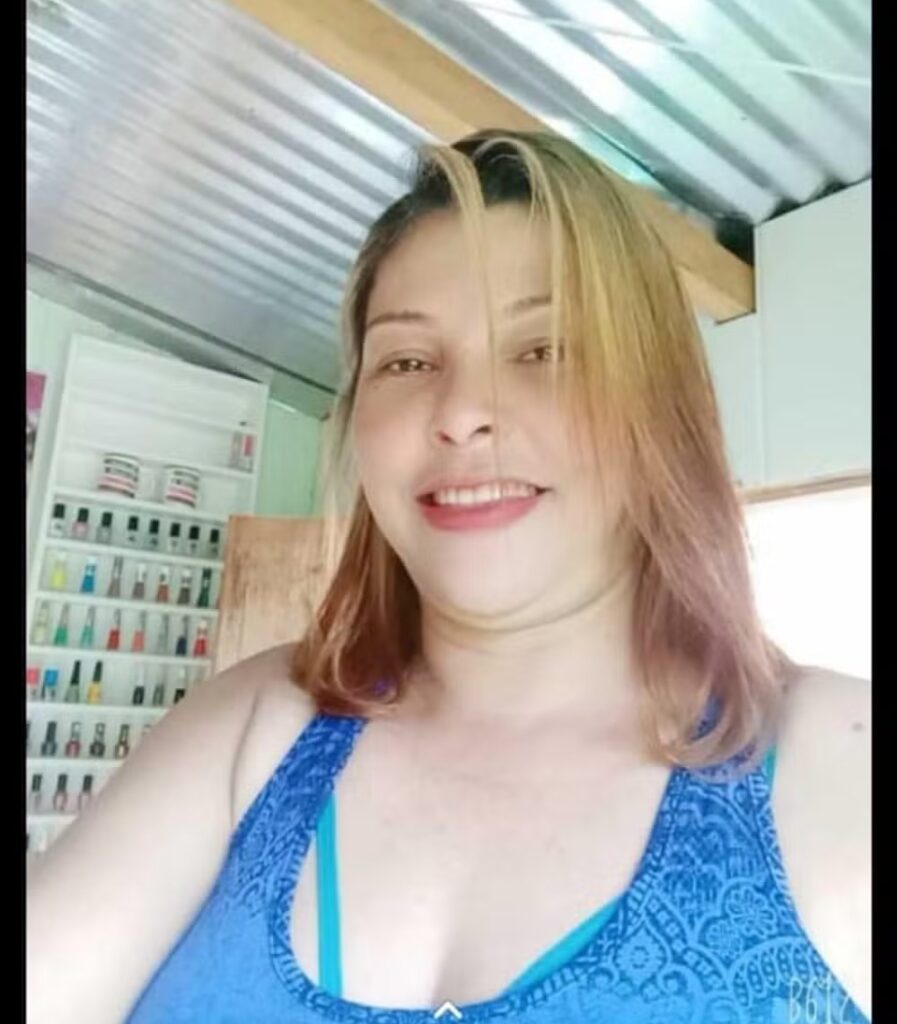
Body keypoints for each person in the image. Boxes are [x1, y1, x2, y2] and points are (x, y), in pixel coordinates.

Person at [27, 131, 871, 1024]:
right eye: (407, 362)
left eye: (545, 349)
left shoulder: (837, 762)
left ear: (658, 404)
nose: (463, 412)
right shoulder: (249, 730)